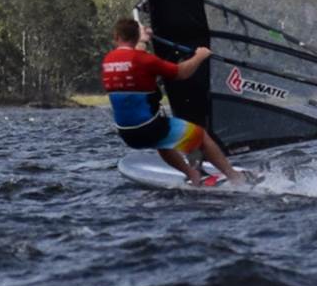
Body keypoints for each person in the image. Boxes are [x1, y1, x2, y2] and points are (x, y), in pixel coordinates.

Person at [100, 11, 236, 184]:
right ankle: (235, 177)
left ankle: (193, 175)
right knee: (200, 136)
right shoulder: (145, 60)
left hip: (127, 133)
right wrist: (200, 56)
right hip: (149, 128)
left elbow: (133, 59)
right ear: (135, 37)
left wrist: (142, 40)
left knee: (163, 142)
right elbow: (181, 73)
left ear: (116, 36)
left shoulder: (108, 60)